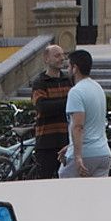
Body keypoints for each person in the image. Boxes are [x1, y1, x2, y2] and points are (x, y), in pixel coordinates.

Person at [58, 50, 111, 178]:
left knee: (65, 189)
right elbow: (93, 124)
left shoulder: (76, 92)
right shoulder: (98, 88)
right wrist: (70, 145)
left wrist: (77, 156)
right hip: (103, 153)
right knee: (96, 195)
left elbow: (78, 126)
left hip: (86, 154)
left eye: (69, 66)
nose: (68, 69)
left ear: (75, 68)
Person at [31, 45, 73, 179]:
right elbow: (42, 108)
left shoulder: (68, 80)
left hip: (66, 142)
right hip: (46, 143)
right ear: (46, 59)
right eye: (57, 55)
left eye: (63, 55)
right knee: (45, 181)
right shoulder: (39, 82)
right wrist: (68, 102)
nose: (62, 58)